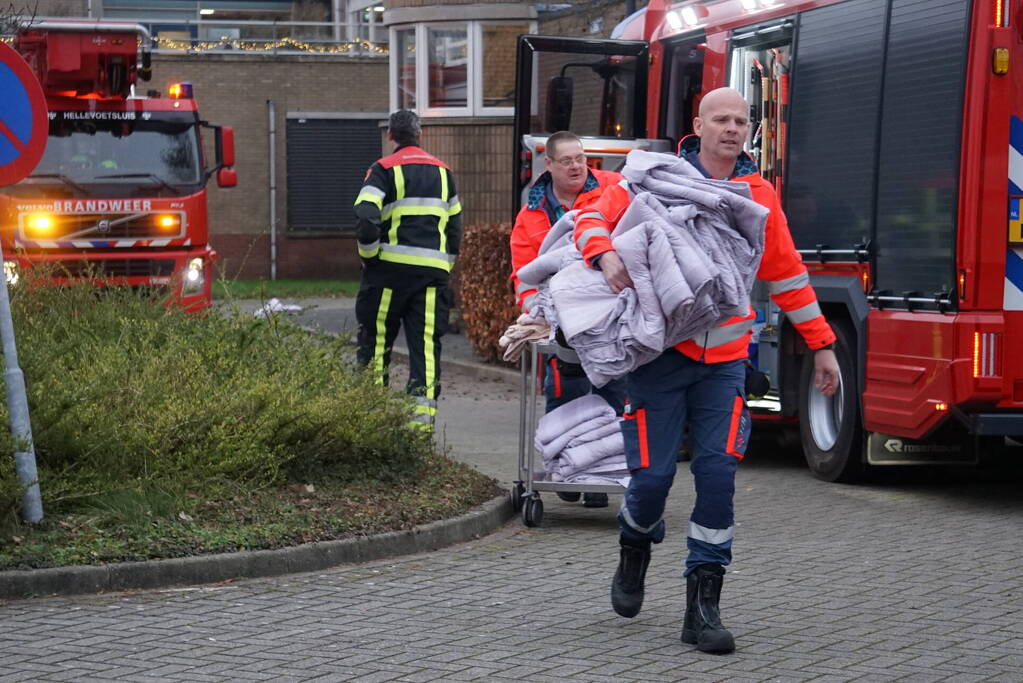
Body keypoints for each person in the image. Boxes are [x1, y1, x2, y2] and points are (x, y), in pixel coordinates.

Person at [573, 87, 840, 653]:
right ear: (698, 124)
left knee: (717, 478)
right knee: (651, 479)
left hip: (725, 365)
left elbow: (788, 275)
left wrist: (823, 345)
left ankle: (703, 606)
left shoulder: (757, 193)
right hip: (660, 361)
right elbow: (590, 217)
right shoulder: (657, 177)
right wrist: (606, 254)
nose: (732, 128)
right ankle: (635, 546)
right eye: (721, 119)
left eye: (741, 121)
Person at [510, 130, 625, 508]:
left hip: (607, 317)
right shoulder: (532, 214)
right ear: (550, 165)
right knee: (563, 395)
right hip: (561, 326)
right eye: (567, 160)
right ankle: (567, 470)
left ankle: (607, 474)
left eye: (581, 158)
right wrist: (536, 316)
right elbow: (525, 272)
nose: (577, 166)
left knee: (614, 396)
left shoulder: (610, 187)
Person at [353, 110, 462, 432]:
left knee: (376, 344)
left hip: (387, 274)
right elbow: (455, 228)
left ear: (390, 135)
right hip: (431, 277)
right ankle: (420, 431)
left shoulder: (382, 170)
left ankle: (372, 426)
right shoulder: (444, 173)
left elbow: (365, 217)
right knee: (426, 349)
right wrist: (445, 265)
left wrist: (369, 258)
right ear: (420, 133)